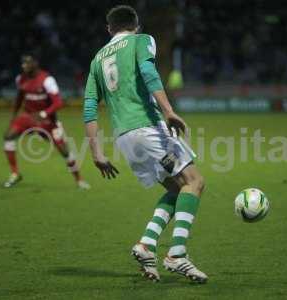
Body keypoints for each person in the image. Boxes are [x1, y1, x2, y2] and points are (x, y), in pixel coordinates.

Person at [84, 5, 207, 283]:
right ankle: (177, 254)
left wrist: (97, 153)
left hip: (125, 138)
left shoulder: (96, 60)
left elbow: (90, 107)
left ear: (109, 29)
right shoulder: (142, 40)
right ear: (136, 25)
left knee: (178, 190)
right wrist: (168, 111)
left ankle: (145, 245)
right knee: (195, 182)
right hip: (148, 128)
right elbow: (149, 73)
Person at [3, 54, 90, 190]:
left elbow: (58, 102)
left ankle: (79, 180)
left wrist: (44, 113)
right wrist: (14, 116)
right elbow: (19, 98)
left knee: (64, 151)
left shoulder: (47, 80)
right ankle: (15, 174)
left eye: (27, 63)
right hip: (28, 117)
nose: (24, 66)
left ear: (36, 63)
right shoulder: (20, 79)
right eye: (23, 63)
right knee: (8, 137)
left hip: (47, 121)